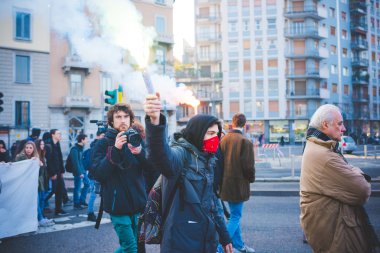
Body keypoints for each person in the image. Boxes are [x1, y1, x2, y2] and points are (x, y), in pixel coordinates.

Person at [144, 93, 233, 253]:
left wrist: (224, 236)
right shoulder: (181, 153)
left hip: (206, 240)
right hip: (181, 241)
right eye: (210, 133)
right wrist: (155, 122)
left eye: (217, 134)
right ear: (198, 133)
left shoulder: (208, 159)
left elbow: (213, 203)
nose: (216, 139)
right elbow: (161, 157)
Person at [300, 104, 378, 252]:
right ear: (325, 124)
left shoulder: (317, 145)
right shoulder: (325, 155)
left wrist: (349, 170)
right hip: (339, 237)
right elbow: (363, 190)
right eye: (340, 124)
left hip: (333, 230)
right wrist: (354, 169)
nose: (344, 129)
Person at [92, 103, 152, 253]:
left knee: (135, 247)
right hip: (117, 206)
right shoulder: (103, 143)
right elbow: (99, 174)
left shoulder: (136, 139)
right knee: (131, 248)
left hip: (138, 204)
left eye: (126, 117)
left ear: (131, 120)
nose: (123, 120)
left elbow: (151, 170)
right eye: (118, 117)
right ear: (111, 121)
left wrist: (140, 154)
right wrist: (116, 149)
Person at [219, 113, 255, 253]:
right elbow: (249, 167)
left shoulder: (224, 140)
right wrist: (251, 179)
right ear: (244, 125)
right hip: (238, 187)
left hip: (224, 186)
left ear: (232, 124)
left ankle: (239, 245)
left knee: (234, 215)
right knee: (235, 217)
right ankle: (219, 248)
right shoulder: (245, 141)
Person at [45, 129, 67, 216]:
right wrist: (52, 173)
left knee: (60, 190)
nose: (60, 135)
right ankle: (41, 206)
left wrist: (62, 170)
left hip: (58, 172)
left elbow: (60, 158)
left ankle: (58, 209)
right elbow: (48, 161)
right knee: (51, 191)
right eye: (58, 133)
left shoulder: (57, 144)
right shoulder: (48, 145)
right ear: (52, 135)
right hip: (52, 173)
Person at [35, 139, 55, 227]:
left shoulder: (43, 155)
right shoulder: (36, 156)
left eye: (43, 144)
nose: (42, 146)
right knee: (39, 200)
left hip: (44, 180)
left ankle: (42, 217)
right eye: (41, 144)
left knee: (42, 198)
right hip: (38, 181)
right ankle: (40, 218)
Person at [87, 130, 105, 222]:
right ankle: (90, 213)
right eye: (103, 135)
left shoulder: (100, 145)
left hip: (100, 175)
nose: (104, 137)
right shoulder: (95, 147)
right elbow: (92, 162)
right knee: (93, 195)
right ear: (98, 136)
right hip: (94, 175)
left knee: (103, 194)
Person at [69, 133, 89, 209]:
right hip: (78, 171)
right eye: (86, 139)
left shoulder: (81, 148)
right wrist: (79, 172)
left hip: (82, 170)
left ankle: (82, 200)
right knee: (77, 187)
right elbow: (75, 162)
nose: (87, 141)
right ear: (82, 140)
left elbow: (80, 161)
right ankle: (76, 203)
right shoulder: (74, 149)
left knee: (87, 184)